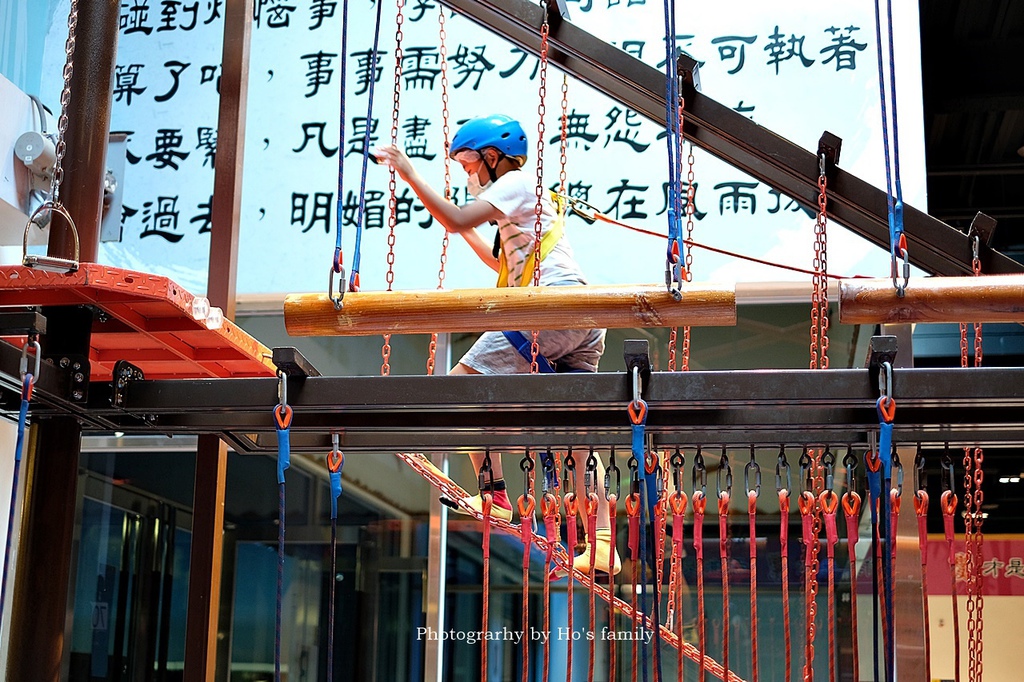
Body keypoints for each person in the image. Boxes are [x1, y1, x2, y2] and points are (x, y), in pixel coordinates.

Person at [374, 114, 619, 576]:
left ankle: (496, 496)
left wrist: (409, 173)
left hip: (555, 310)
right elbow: (496, 260)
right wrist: (467, 229)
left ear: (492, 158)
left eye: (470, 166)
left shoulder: (515, 182)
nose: (469, 176)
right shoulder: (524, 203)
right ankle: (603, 541)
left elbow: (452, 219)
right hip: (583, 318)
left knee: (461, 386)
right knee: (577, 439)